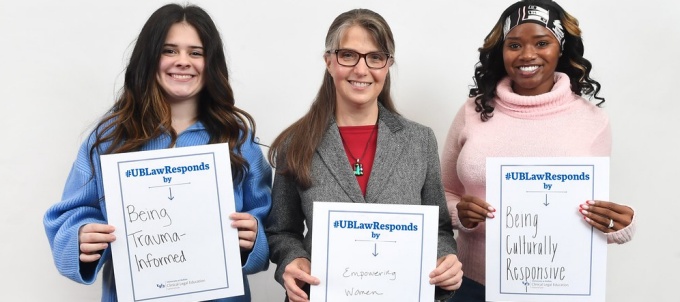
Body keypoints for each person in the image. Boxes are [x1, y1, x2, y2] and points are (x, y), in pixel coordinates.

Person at [43, 4, 272, 302]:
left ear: (210, 62)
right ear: (149, 58)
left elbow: (267, 219)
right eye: (169, 50)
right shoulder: (110, 137)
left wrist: (255, 238)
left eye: (196, 52)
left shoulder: (237, 138)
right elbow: (70, 213)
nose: (183, 61)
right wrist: (80, 236)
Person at [441, 1, 636, 301]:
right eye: (514, 44)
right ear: (501, 51)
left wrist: (618, 227)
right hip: (474, 284)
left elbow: (589, 210)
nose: (527, 54)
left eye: (542, 43)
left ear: (561, 48)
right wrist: (460, 214)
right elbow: (445, 192)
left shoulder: (592, 121)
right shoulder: (472, 111)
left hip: (559, 287)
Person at [265, 8, 462, 302]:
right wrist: (292, 260)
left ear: (387, 65)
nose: (361, 69)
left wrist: (445, 259)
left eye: (375, 57)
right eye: (348, 55)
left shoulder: (419, 140)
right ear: (329, 61)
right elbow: (282, 231)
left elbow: (439, 230)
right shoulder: (296, 143)